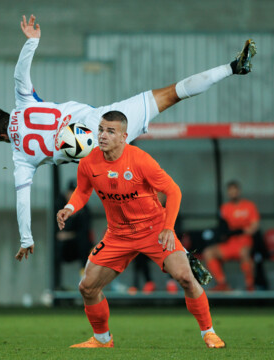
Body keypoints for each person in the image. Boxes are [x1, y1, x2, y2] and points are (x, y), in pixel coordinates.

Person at [0, 14, 256, 261]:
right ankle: (232, 67)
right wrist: (32, 41)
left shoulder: (20, 157)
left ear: (1, 136)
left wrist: (27, 238)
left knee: (128, 210)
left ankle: (181, 256)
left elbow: (22, 198)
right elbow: (20, 73)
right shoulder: (24, 103)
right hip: (106, 122)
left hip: (96, 156)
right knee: (173, 93)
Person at [56, 111, 225, 349]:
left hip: (153, 230)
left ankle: (209, 333)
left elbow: (174, 191)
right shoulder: (88, 162)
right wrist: (69, 207)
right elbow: (83, 191)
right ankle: (103, 340)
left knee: (186, 277)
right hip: (117, 235)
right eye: (101, 129)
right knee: (87, 287)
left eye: (110, 131)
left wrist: (168, 228)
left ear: (124, 136)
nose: (103, 135)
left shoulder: (140, 160)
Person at [203, 181, 260, 291]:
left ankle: (250, 285)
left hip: (244, 241)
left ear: (239, 191)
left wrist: (241, 230)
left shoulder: (249, 206)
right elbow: (223, 228)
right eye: (230, 191)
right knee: (208, 252)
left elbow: (254, 226)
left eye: (235, 190)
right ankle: (222, 284)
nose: (233, 193)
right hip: (230, 242)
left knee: (244, 253)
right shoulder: (225, 208)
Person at [54, 180, 93, 290]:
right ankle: (56, 285)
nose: (72, 196)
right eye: (71, 192)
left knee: (85, 245)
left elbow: (84, 231)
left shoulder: (84, 209)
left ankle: (85, 283)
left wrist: (69, 235)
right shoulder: (59, 206)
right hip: (64, 248)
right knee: (56, 247)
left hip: (78, 245)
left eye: (75, 193)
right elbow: (57, 232)